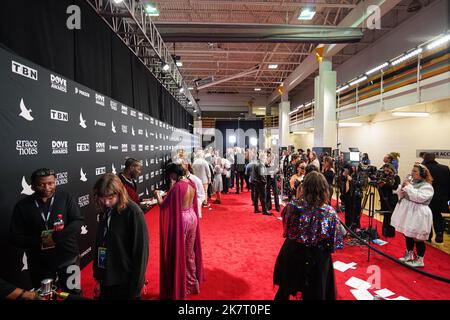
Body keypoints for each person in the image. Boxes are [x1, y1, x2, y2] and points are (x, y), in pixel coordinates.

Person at [9, 168, 84, 293]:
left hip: (68, 258)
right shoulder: (22, 206)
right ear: (32, 186)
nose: (47, 187)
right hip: (40, 264)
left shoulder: (65, 197)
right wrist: (41, 240)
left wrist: (57, 236)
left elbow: (78, 221)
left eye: (51, 183)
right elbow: (14, 237)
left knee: (74, 293)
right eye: (41, 184)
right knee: (44, 296)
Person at [273, 171, 344, 300]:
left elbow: (286, 230)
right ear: (324, 189)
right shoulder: (330, 212)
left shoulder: (292, 206)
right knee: (316, 293)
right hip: (318, 256)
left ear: (304, 187)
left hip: (293, 251)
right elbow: (335, 242)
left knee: (285, 289)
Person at [92, 174, 149, 299]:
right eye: (102, 198)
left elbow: (141, 252)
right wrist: (98, 277)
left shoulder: (133, 212)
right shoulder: (105, 210)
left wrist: (137, 286)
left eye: (110, 198)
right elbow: (101, 243)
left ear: (120, 193)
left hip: (125, 282)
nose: (106, 202)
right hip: (107, 278)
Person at [156, 163, 203, 299]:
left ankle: (180, 287)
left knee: (178, 254)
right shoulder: (191, 183)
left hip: (182, 220)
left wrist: (158, 195)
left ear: (173, 174)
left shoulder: (177, 187)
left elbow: (163, 205)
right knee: (189, 253)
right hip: (192, 217)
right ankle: (192, 284)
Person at [391, 163, 434, 268]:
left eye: (415, 171)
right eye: (412, 170)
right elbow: (399, 194)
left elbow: (418, 198)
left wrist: (408, 187)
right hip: (409, 212)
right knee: (407, 234)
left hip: (419, 214)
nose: (412, 173)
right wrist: (402, 188)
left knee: (417, 237)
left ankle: (420, 260)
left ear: (422, 174)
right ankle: (409, 254)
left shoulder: (427, 187)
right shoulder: (412, 183)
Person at [422, 153, 450, 243]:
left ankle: (428, 235)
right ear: (434, 158)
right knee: (437, 215)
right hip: (440, 197)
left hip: (426, 196)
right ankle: (439, 233)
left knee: (426, 216)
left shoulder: (422, 168)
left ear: (424, 158)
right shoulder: (445, 168)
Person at [377, 163, 400, 237]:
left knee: (391, 216)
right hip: (384, 198)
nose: (386, 171)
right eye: (385, 170)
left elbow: (395, 187)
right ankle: (385, 232)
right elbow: (379, 186)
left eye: (388, 170)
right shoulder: (382, 176)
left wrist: (385, 184)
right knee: (386, 216)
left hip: (392, 199)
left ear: (391, 169)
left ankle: (390, 233)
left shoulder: (396, 177)